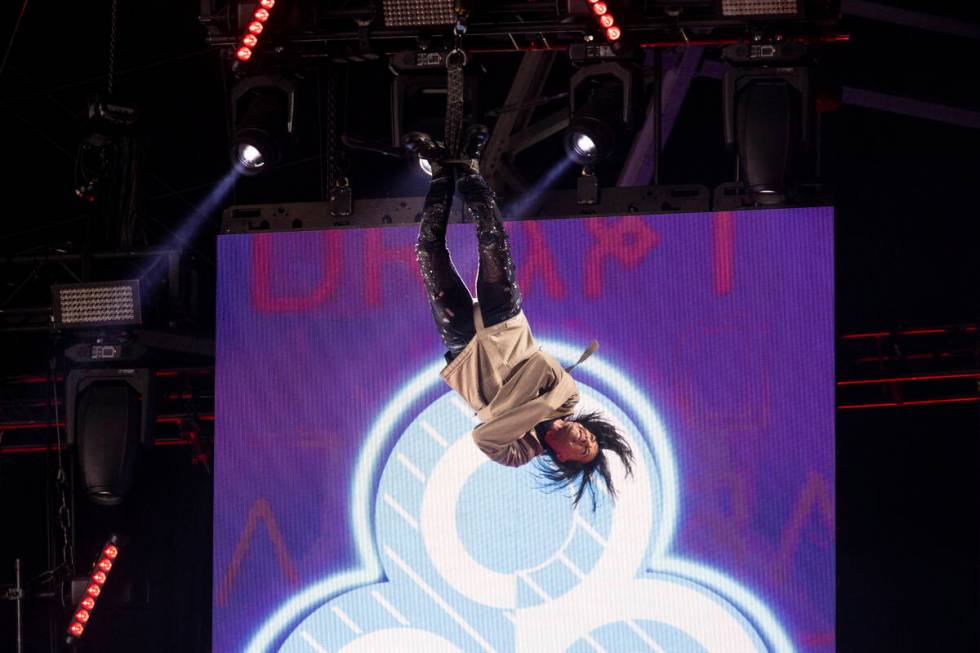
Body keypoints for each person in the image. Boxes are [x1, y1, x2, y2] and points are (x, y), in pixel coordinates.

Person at [406, 125, 634, 508]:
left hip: (464, 349)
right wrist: (508, 410)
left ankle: (443, 174)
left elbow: (482, 437)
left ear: (563, 458)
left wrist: (534, 403)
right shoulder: (568, 398)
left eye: (583, 449)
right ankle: (471, 169)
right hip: (506, 323)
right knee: (493, 238)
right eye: (591, 438)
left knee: (429, 252)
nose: (583, 438)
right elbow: (538, 365)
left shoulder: (516, 454)